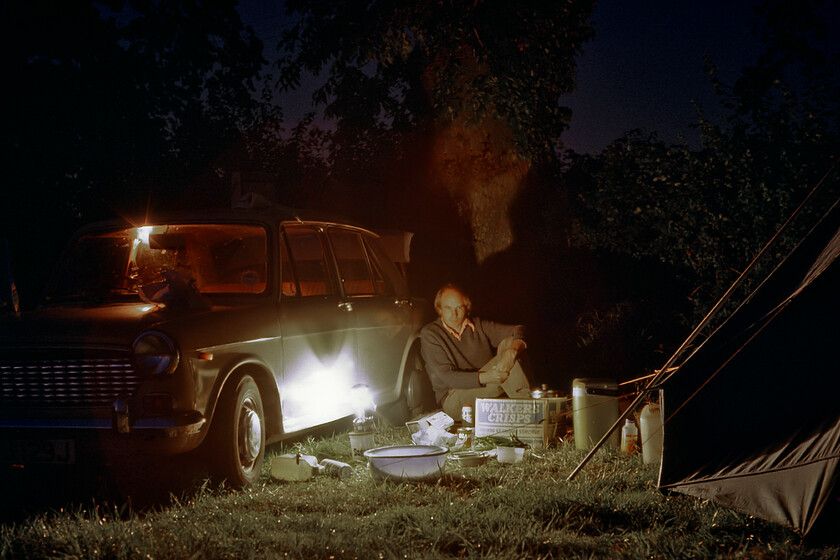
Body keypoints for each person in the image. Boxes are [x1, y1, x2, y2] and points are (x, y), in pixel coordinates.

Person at [420, 283, 532, 420]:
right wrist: (488, 377)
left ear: (467, 308)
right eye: (448, 308)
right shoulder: (431, 334)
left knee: (511, 343)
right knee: (510, 362)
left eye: (459, 308)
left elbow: (519, 330)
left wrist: (511, 353)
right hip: (455, 398)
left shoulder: (478, 326)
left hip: (489, 386)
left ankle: (525, 408)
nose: (454, 314)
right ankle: (530, 411)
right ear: (439, 309)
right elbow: (447, 377)